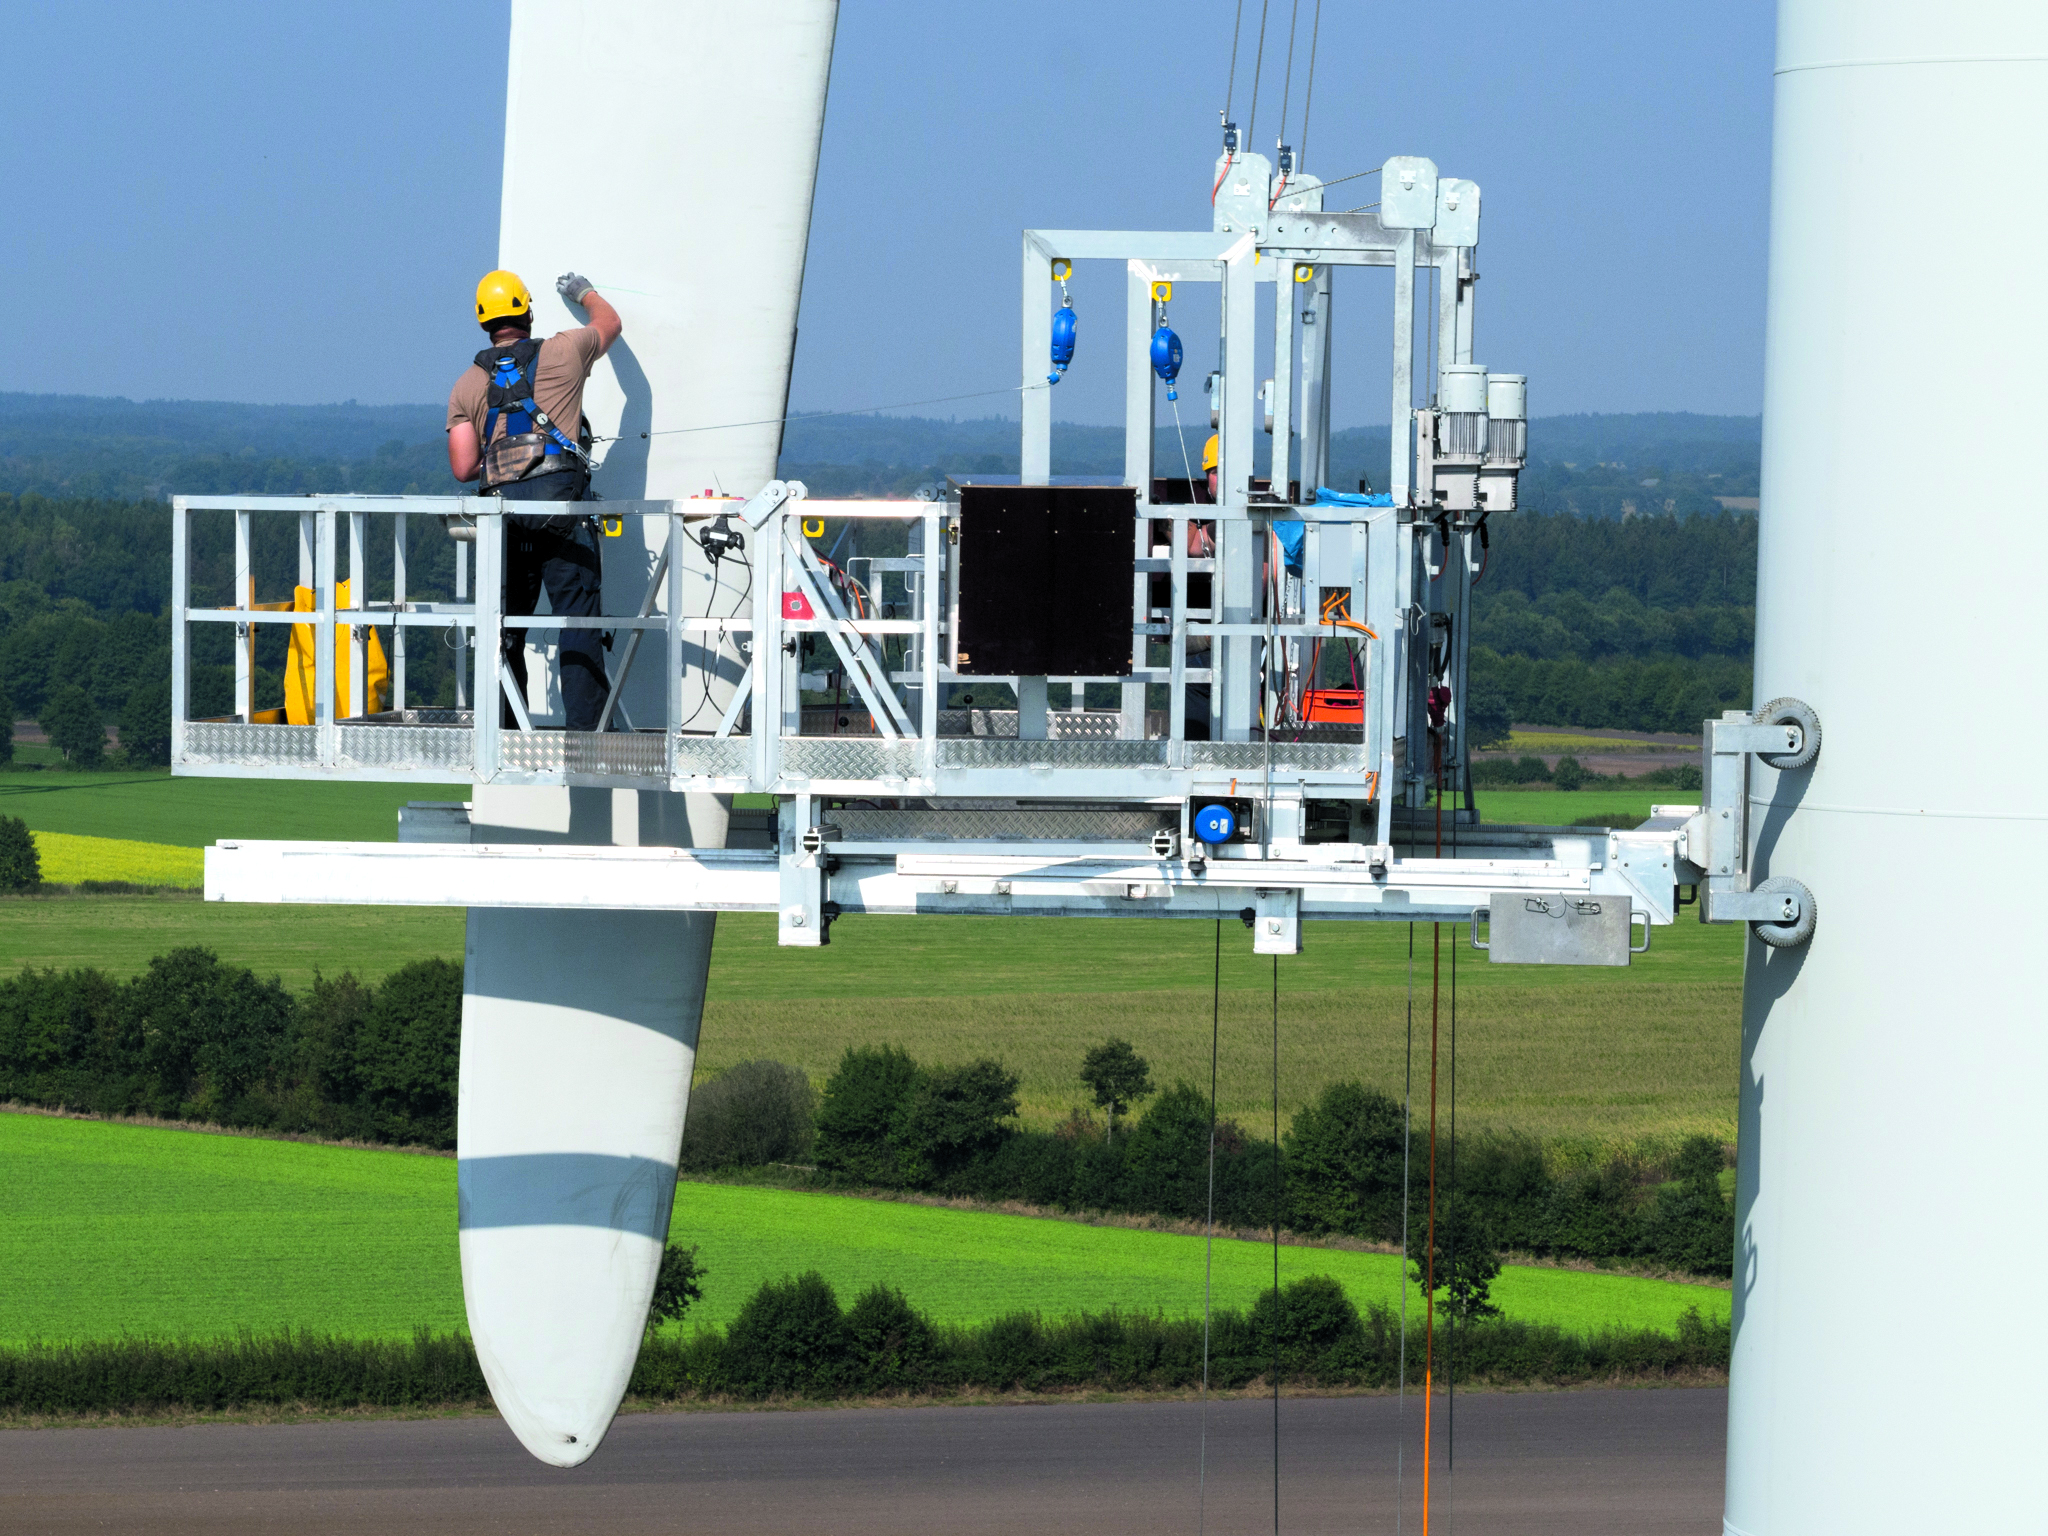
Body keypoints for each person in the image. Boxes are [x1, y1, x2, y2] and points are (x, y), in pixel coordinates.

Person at [446, 270, 623, 731]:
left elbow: (464, 468)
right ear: (526, 310)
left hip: (503, 514)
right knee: (577, 620)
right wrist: (582, 292)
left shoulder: (467, 384)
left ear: (484, 321)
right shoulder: (565, 349)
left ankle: (505, 729)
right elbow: (610, 323)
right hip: (560, 510)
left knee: (503, 626)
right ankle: (585, 734)